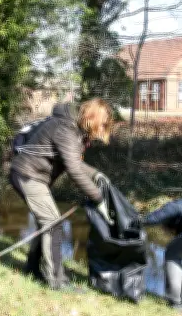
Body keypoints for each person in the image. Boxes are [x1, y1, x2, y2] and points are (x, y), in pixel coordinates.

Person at [9, 98, 115, 291]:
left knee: (45, 223)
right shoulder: (66, 129)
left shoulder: (74, 129)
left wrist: (96, 175)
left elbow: (74, 162)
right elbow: (74, 170)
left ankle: (32, 268)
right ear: (92, 117)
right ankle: (57, 281)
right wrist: (98, 199)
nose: (102, 130)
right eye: (102, 124)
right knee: (53, 224)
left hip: (33, 176)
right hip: (28, 175)